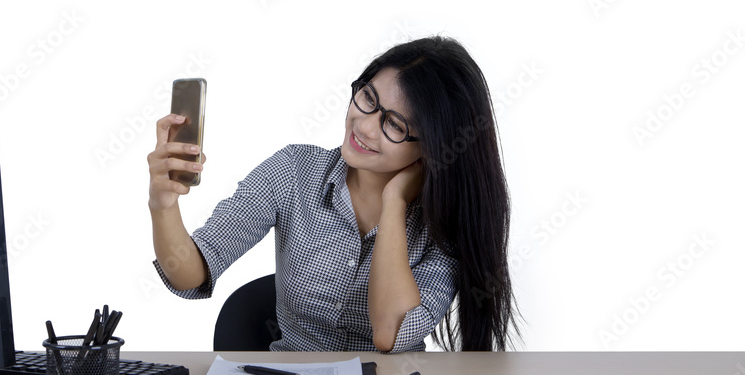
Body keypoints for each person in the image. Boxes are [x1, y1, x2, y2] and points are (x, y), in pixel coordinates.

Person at [147, 36, 520, 352]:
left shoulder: (442, 224)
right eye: (369, 99)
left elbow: (390, 334)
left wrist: (394, 204)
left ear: (431, 148)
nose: (366, 127)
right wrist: (163, 205)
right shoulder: (294, 171)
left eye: (394, 124)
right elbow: (191, 275)